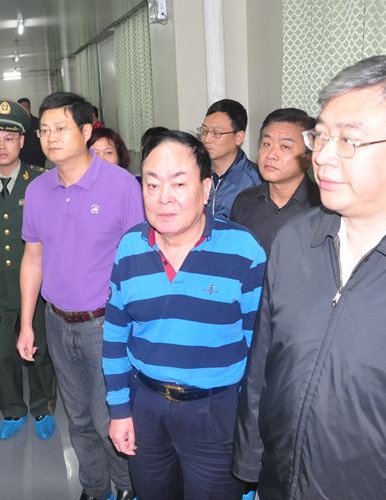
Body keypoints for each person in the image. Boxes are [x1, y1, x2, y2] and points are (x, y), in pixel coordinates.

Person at [232, 55, 386, 498]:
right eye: (321, 136)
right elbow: (264, 365)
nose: (322, 157)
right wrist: (251, 463)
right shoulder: (295, 241)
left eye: (349, 140)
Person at [104, 130, 265, 499]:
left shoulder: (243, 250)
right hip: (146, 406)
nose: (164, 197)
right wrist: (119, 410)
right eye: (152, 184)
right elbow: (114, 336)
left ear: (206, 189)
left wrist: (250, 425)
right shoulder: (129, 247)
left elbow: (258, 348)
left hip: (217, 413)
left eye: (179, 183)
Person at [18, 91, 144, 500]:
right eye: (44, 130)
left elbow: (140, 260)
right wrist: (26, 323)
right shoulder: (38, 190)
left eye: (61, 128)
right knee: (77, 417)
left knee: (109, 416)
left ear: (87, 131)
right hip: (57, 321)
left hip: (107, 324)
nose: (50, 137)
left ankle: (126, 487)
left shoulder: (121, 186)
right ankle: (94, 486)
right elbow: (32, 258)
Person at [0, 99, 57, 442]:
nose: (1, 147)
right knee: (2, 353)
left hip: (37, 285)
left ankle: (43, 406)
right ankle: (13, 410)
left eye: (9, 139)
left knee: (40, 350)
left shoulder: (41, 181)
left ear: (21, 142)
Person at [230, 108, 320, 254]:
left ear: (308, 157)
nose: (271, 154)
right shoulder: (244, 202)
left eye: (285, 146)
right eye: (266, 144)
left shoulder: (323, 207)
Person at [199, 99, 261, 218]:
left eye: (216, 133)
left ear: (238, 137)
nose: (206, 139)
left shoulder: (257, 182)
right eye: (204, 130)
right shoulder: (196, 173)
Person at [17, 98, 47, 167]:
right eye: (22, 107)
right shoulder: (15, 125)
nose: (25, 109)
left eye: (26, 107)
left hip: (38, 162)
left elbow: (45, 140)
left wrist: (43, 157)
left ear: (30, 108)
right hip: (21, 163)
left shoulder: (38, 122)